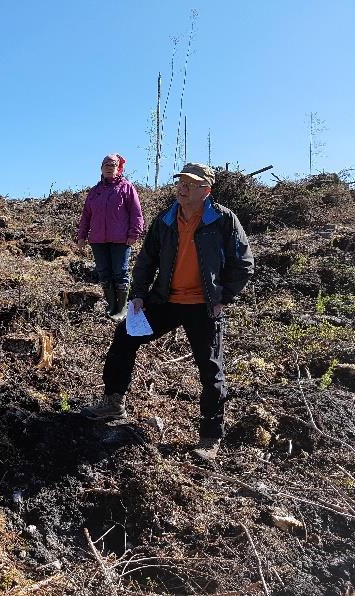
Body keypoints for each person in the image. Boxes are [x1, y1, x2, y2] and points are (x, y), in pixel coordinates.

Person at [82, 163, 254, 461]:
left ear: (206, 190)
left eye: (191, 183)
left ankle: (210, 437)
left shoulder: (224, 220)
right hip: (165, 301)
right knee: (124, 335)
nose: (183, 187)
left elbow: (244, 263)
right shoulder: (166, 219)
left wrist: (223, 297)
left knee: (210, 369)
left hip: (204, 306)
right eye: (181, 181)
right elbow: (146, 260)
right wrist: (137, 295)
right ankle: (113, 401)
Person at [76, 153, 143, 321]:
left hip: (121, 239)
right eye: (106, 164)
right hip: (98, 240)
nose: (109, 167)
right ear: (101, 168)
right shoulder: (94, 191)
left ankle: (121, 309)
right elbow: (86, 216)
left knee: (120, 272)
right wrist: (82, 236)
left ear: (118, 168)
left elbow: (136, 213)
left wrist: (134, 233)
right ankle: (111, 306)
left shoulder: (127, 187)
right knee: (104, 273)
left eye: (112, 165)